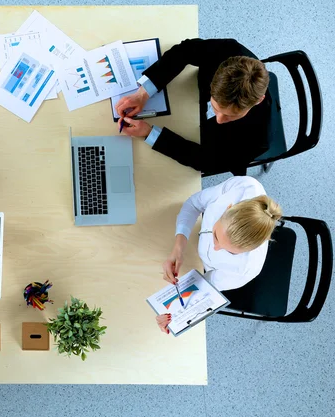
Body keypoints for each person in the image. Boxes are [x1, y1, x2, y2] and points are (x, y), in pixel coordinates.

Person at [115, 38, 272, 175]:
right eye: (216, 109)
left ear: (258, 101)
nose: (219, 120)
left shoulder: (258, 140)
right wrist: (143, 94)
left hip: (223, 142)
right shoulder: (228, 50)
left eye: (231, 115)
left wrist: (149, 133)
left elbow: (207, 161)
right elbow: (185, 50)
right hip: (194, 94)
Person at [155, 176, 282, 334]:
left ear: (250, 250)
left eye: (229, 251)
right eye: (215, 235)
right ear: (228, 208)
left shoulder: (245, 269)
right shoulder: (243, 186)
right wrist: (178, 248)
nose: (215, 248)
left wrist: (172, 315)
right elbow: (194, 204)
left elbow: (205, 287)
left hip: (204, 271)